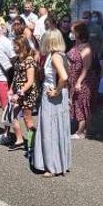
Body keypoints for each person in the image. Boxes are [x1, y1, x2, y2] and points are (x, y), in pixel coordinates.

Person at [33, 29, 71, 177]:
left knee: (50, 130)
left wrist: (56, 91)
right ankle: (58, 163)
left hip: (52, 96)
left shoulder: (55, 56)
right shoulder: (58, 55)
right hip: (55, 96)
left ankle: (52, 165)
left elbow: (64, 77)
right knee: (57, 129)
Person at [9, 36, 39, 148]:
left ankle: (32, 143)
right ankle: (19, 139)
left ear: (22, 46)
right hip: (18, 92)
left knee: (27, 118)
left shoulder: (29, 60)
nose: (13, 48)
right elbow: (16, 76)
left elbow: (30, 81)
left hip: (28, 93)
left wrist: (18, 93)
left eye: (15, 46)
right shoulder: (17, 59)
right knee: (12, 115)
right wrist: (11, 89)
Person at [68, 21, 94, 139]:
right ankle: (85, 129)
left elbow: (86, 67)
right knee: (76, 103)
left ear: (79, 32)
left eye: (73, 31)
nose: (71, 33)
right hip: (73, 79)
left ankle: (81, 131)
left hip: (82, 81)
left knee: (82, 104)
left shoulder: (86, 47)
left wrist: (79, 81)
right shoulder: (76, 45)